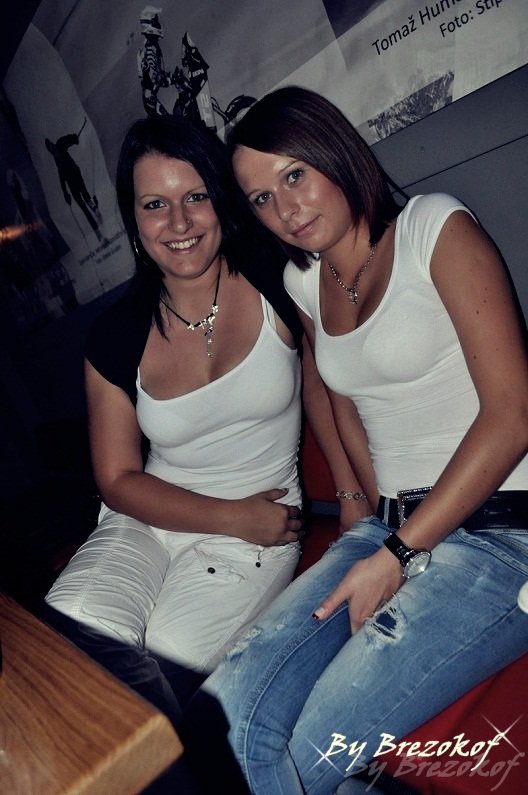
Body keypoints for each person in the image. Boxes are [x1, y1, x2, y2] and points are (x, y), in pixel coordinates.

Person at [184, 86, 528, 794]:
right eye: (261, 198)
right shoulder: (303, 281)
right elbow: (342, 402)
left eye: (294, 176)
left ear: (332, 151)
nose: (285, 210)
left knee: (299, 756)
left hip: (500, 537)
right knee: (222, 718)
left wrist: (401, 552)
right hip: (391, 531)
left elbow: (513, 414)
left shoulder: (433, 227)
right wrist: (368, 516)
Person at [43, 112, 309, 728]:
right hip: (151, 518)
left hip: (259, 530)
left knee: (164, 665)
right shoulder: (114, 335)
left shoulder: (280, 281)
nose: (180, 222)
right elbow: (117, 480)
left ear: (221, 199)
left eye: (196, 196)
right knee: (72, 639)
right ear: (135, 221)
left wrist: (353, 510)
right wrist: (229, 515)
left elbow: (333, 393)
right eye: (155, 205)